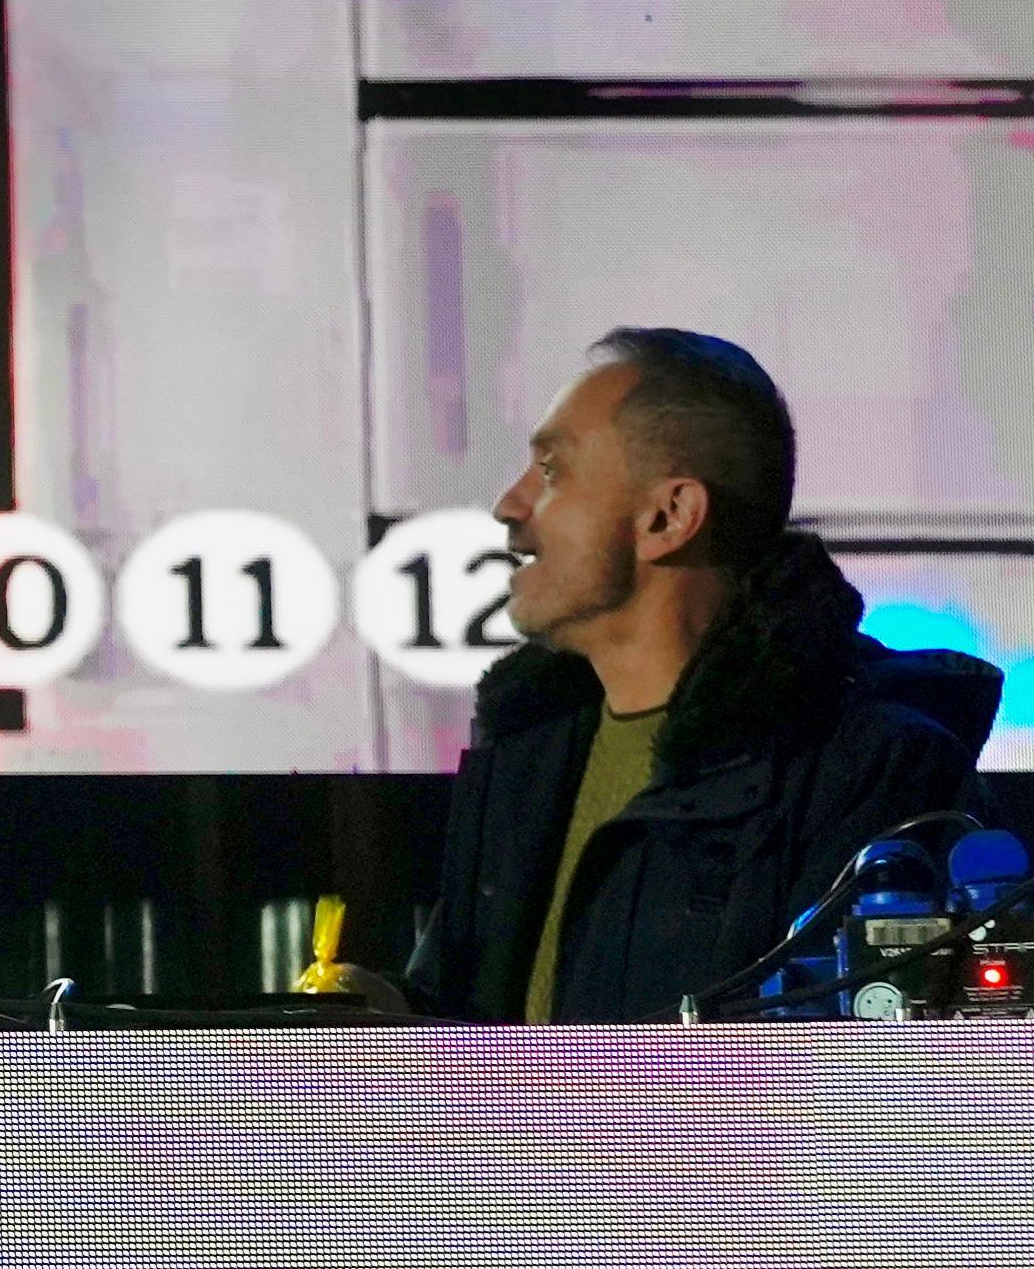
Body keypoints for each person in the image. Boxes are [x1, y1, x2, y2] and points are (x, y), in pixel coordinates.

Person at [402, 326, 999, 1023]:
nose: (509, 505)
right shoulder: (524, 755)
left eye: (552, 470)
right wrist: (384, 1018)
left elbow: (862, 1070)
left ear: (669, 516)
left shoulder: (875, 769)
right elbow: (466, 1041)